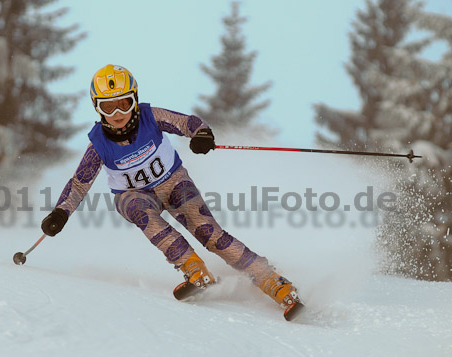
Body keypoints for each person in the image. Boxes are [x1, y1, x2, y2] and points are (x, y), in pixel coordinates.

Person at [41, 64, 302, 318]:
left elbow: (188, 122)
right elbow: (78, 184)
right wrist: (60, 214)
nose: (118, 113)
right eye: (108, 107)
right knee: (138, 210)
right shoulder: (98, 144)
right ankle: (194, 269)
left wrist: (202, 134)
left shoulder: (151, 117)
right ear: (97, 108)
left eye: (124, 103)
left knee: (210, 234)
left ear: (135, 99)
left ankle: (273, 281)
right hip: (133, 195)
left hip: (173, 182)